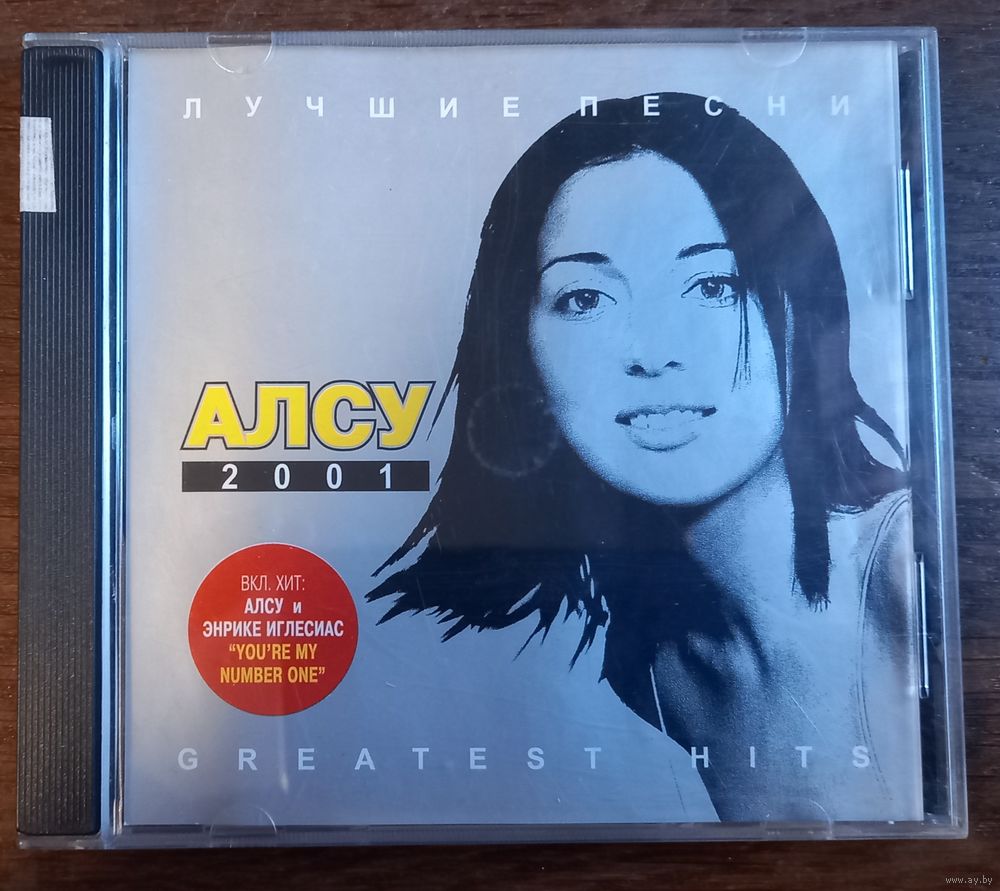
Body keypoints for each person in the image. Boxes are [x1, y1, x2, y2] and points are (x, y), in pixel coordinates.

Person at [369, 92, 921, 823]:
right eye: (586, 299)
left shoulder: (908, 570)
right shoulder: (649, 673)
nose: (654, 352)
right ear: (521, 350)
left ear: (799, 305)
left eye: (714, 286)